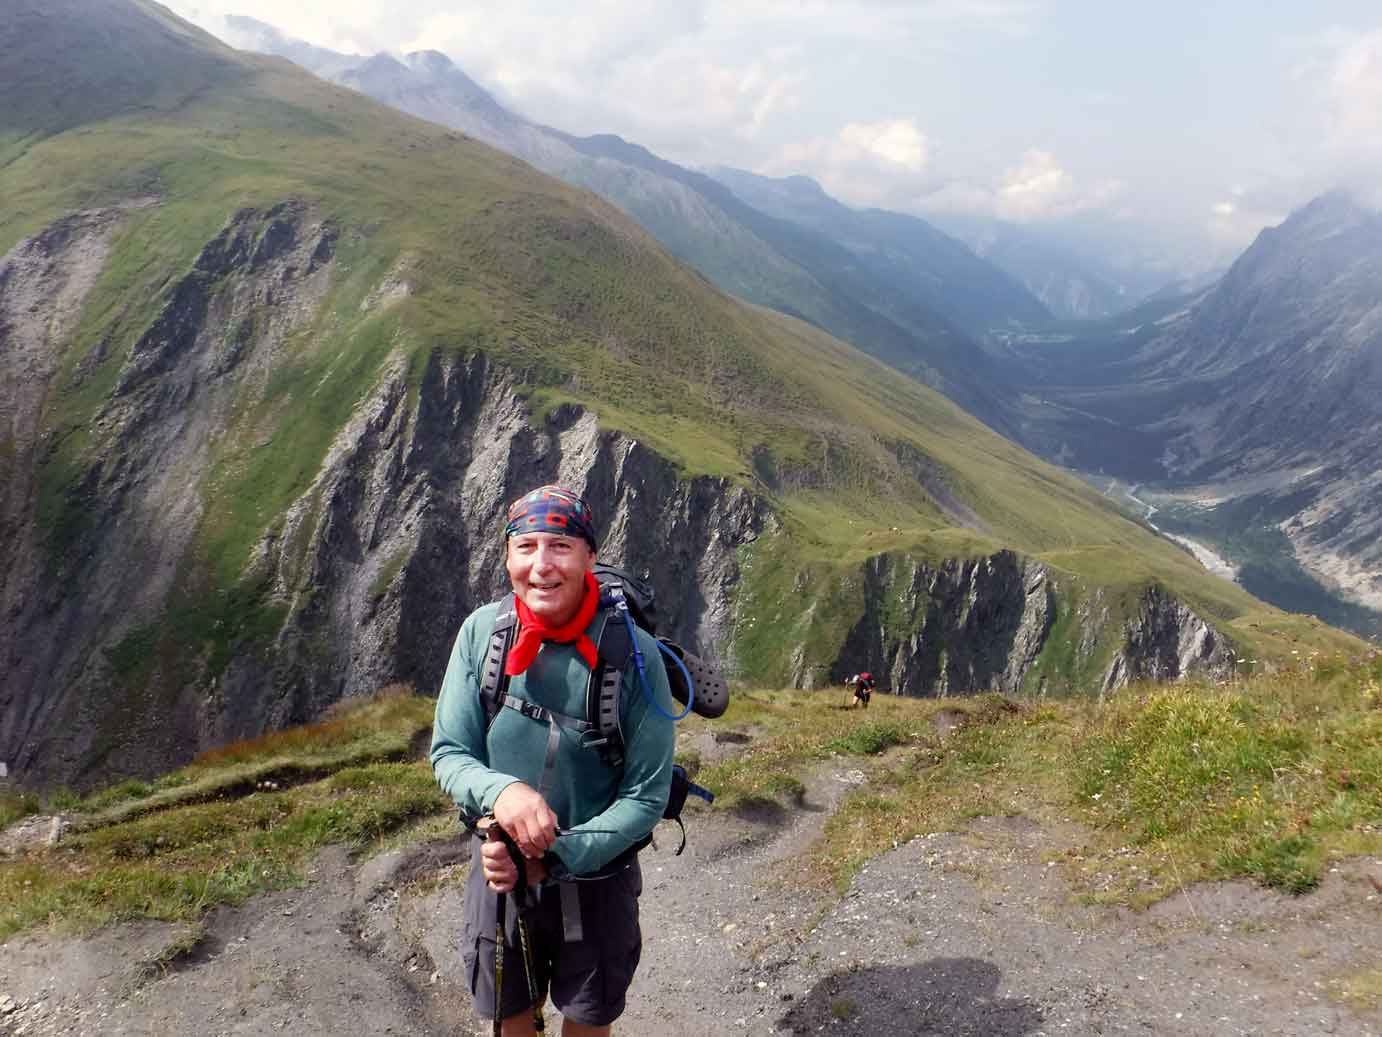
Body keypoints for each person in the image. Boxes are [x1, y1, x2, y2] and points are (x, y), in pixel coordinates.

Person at [431, 485, 676, 1037]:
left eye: (561, 546)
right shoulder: (482, 636)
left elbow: (646, 796)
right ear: (508, 557)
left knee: (586, 1020)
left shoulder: (633, 657)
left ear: (591, 556)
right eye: (527, 546)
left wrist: (557, 854)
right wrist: (503, 794)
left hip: (599, 876)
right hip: (499, 868)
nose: (542, 566)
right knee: (509, 1017)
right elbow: (450, 753)